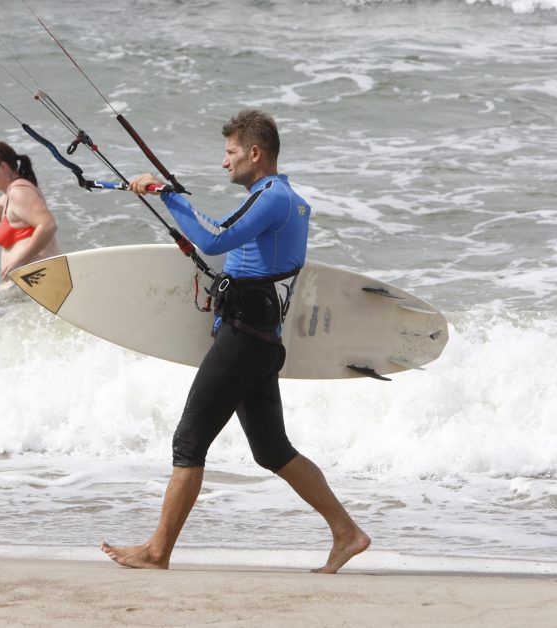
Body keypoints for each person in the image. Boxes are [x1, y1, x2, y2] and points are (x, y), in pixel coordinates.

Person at [101, 109, 370, 574]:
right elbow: (220, 234)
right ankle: (347, 533)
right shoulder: (278, 198)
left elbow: (213, 240)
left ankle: (157, 550)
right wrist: (172, 197)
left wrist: (167, 193)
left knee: (189, 440)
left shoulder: (273, 197)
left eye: (229, 153)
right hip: (258, 338)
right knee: (272, 450)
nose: (224, 163)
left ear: (255, 153)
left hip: (247, 339)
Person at [0, 141, 59, 281]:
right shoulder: (10, 193)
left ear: (3, 167)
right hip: (30, 279)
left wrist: (20, 261)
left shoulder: (19, 192)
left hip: (37, 278)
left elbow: (48, 225)